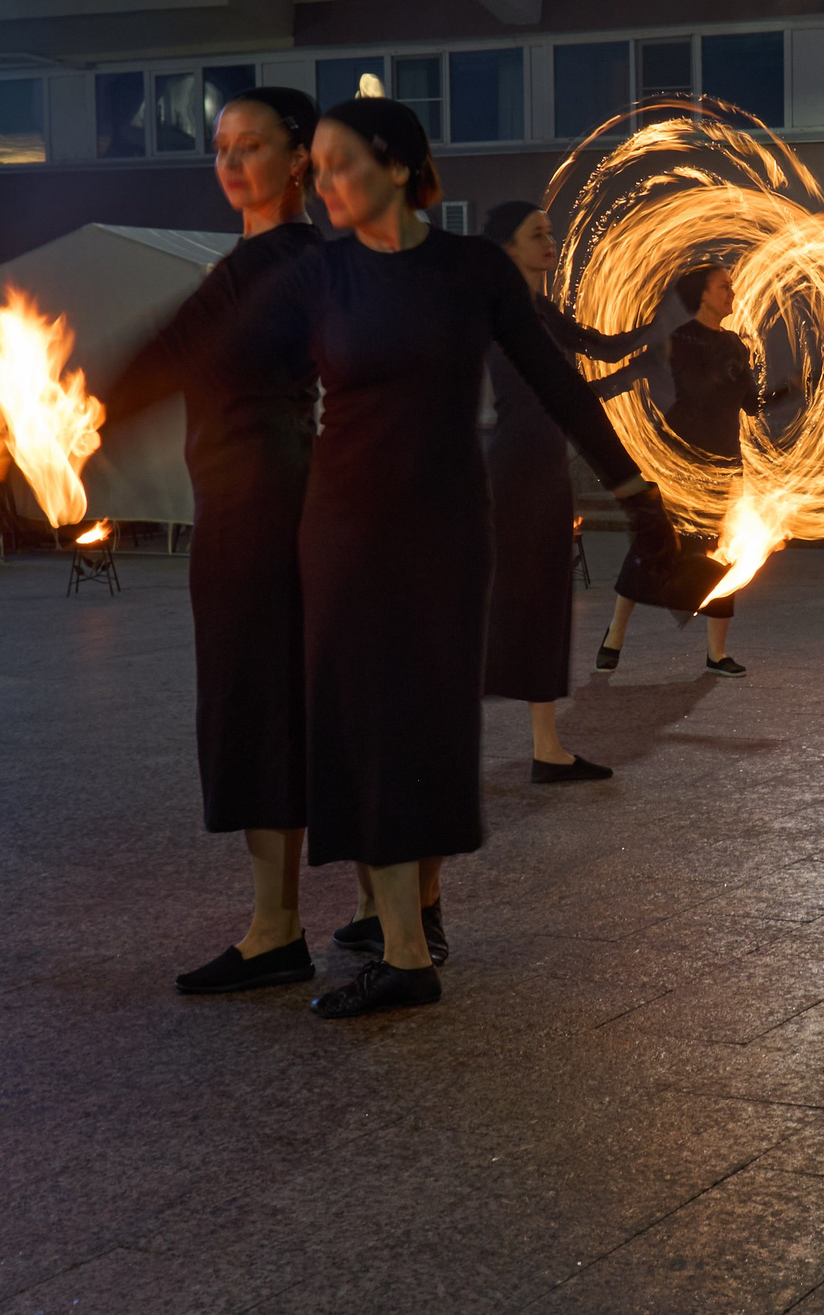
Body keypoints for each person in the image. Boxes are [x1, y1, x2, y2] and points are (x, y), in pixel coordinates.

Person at [265, 96, 675, 1018]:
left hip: (444, 532)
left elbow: (556, 377)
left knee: (418, 730)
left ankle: (411, 936)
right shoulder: (317, 273)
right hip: (341, 532)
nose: (323, 182)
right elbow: (230, 369)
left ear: (402, 166)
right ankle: (397, 933)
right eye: (315, 168)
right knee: (362, 729)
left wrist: (632, 486)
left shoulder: (469, 271)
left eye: (342, 163)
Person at [98, 86, 324, 996]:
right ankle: (334, 915)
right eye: (221, 147)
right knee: (276, 702)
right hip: (267, 498)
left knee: (257, 703)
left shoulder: (270, 267)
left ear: (300, 156)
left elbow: (160, 359)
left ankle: (277, 927)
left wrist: (73, 411)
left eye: (252, 147)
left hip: (256, 511)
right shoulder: (295, 261)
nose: (230, 164)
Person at [479, 198, 650, 782]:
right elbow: (555, 397)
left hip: (546, 469)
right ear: (507, 249)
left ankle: (547, 748)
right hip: (516, 470)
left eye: (550, 232)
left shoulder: (545, 313)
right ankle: (430, 730)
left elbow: (601, 351)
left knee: (543, 604)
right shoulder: (499, 315)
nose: (550, 242)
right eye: (536, 234)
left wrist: (664, 327)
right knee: (507, 602)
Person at [597, 261, 778, 677]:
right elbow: (644, 377)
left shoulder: (735, 344)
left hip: (725, 464)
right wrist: (584, 396)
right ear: (702, 295)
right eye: (724, 287)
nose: (732, 293)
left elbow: (750, 405)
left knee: (722, 552)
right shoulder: (678, 341)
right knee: (653, 547)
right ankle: (614, 636)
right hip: (682, 461)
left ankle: (716, 654)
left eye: (731, 287)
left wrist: (789, 389)